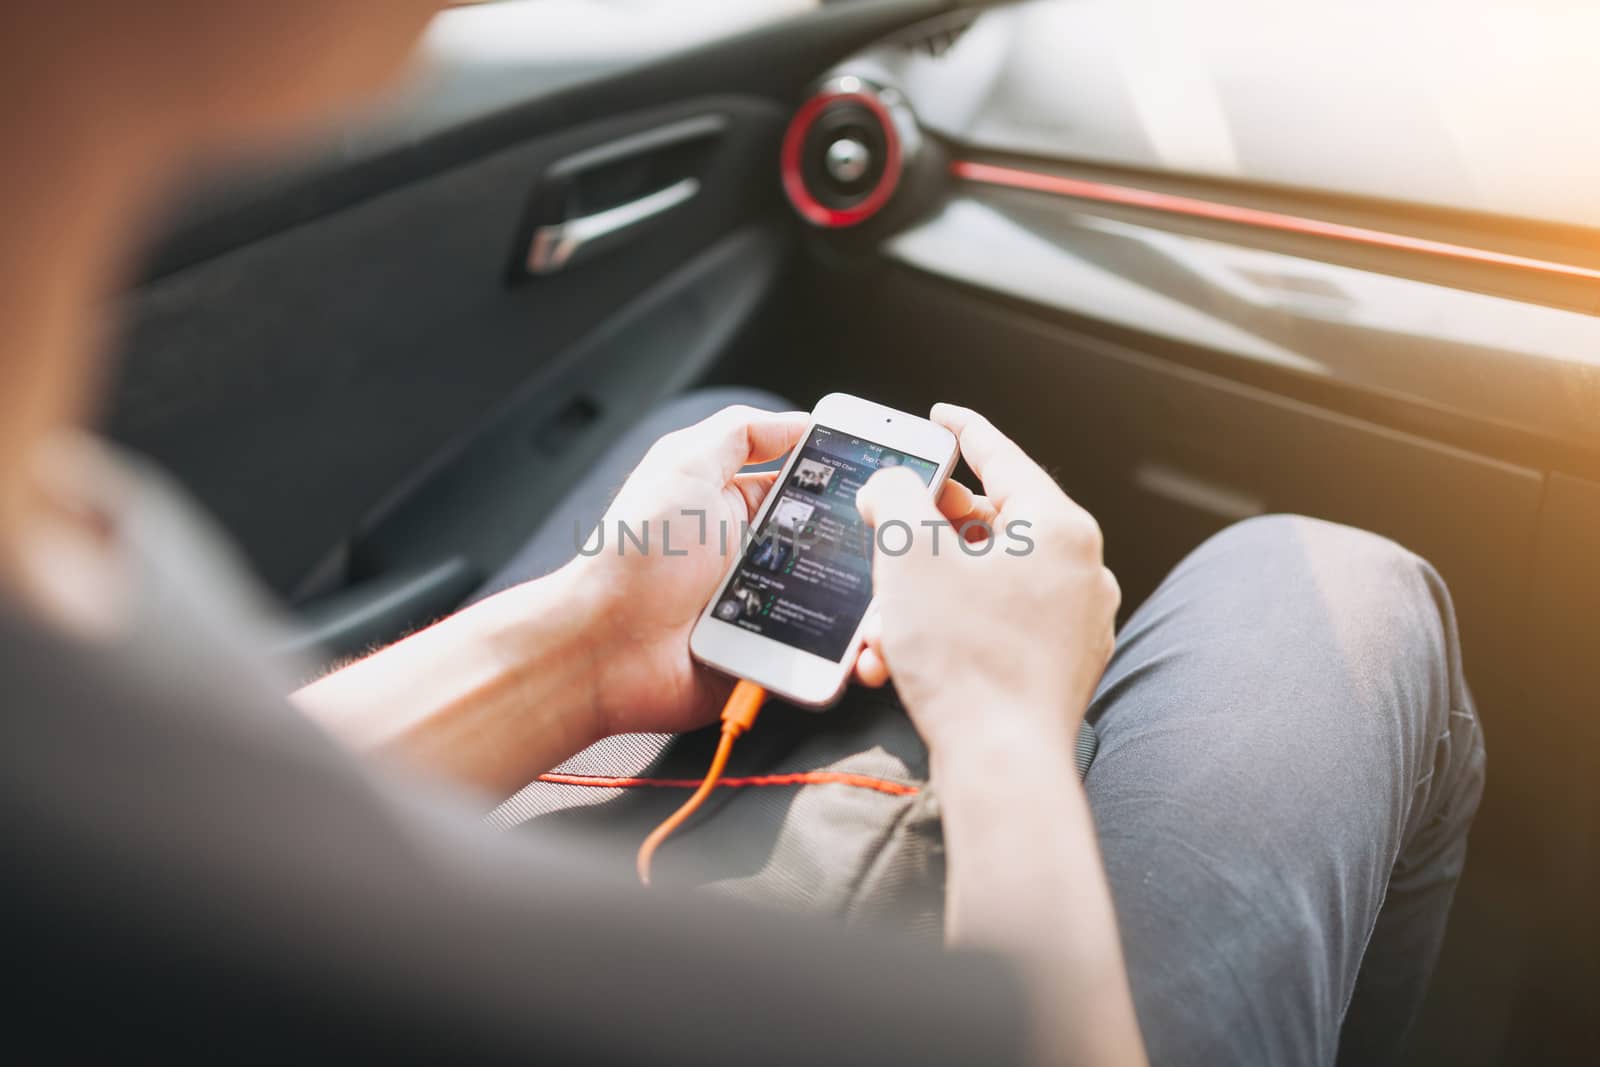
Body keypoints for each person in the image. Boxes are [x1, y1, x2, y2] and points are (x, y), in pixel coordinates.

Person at [0, 3, 1483, 1066]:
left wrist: (586, 641)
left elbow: (239, 821)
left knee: (708, 421)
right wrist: (1005, 724)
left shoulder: (60, 580)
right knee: (1344, 596)